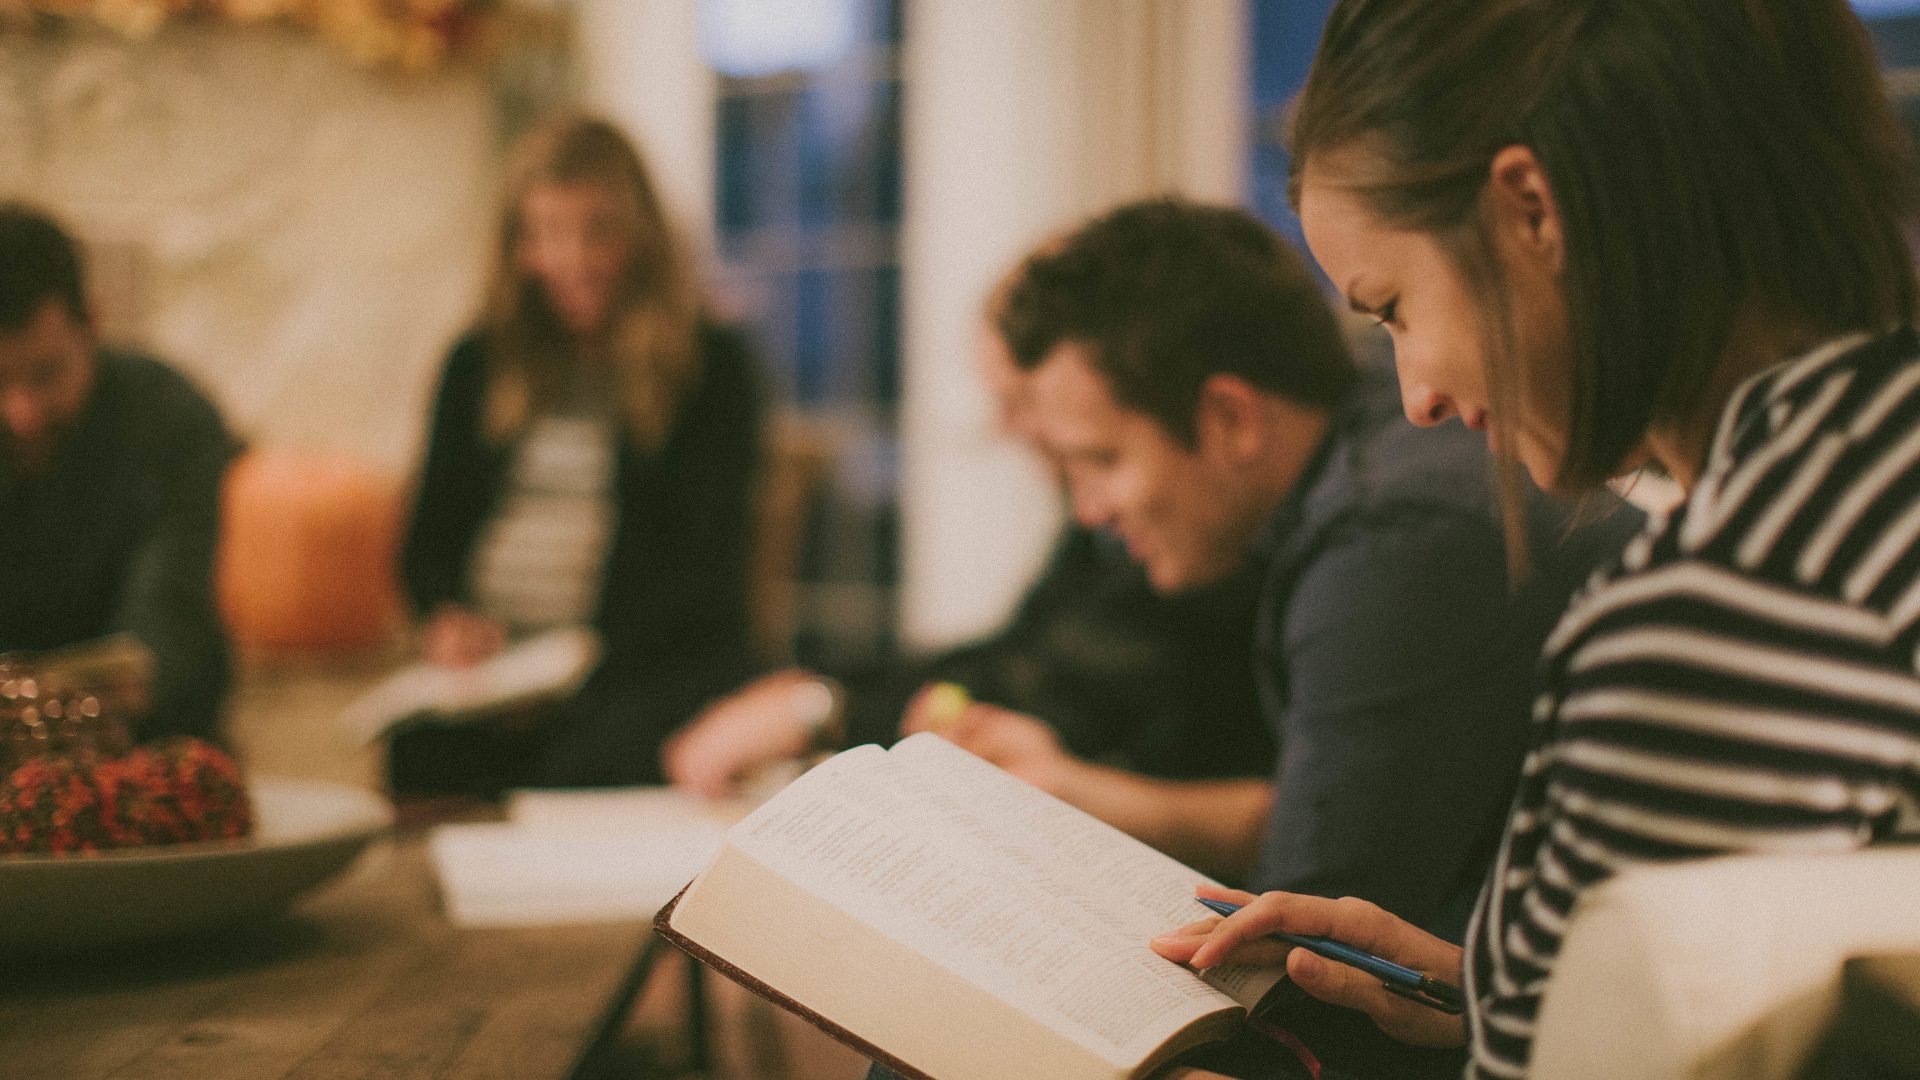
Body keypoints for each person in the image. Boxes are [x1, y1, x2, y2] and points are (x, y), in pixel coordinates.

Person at [1150, 3, 1920, 1078]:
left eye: (1396, 308)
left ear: (1532, 210)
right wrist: (1497, 994)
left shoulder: (1705, 621)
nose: (1414, 397)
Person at [665, 320, 1276, 864]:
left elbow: (1053, 690)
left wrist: (825, 709)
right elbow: (1012, 660)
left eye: (1019, 399)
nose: (1007, 427)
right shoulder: (1110, 533)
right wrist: (823, 697)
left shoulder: (1187, 541)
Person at [395, 115, 764, 794]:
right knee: (419, 754)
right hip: (496, 672)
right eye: (548, 234)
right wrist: (446, 620)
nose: (574, 260)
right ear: (518, 246)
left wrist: (570, 667)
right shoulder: (475, 364)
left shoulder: (711, 369)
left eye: (599, 231)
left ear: (641, 237)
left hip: (642, 666)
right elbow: (428, 542)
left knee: (588, 757)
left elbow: (705, 571)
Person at [0, 203, 239, 743]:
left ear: (93, 323)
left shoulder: (173, 419)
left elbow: (166, 607)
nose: (21, 411)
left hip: (149, 744)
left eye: (45, 373)